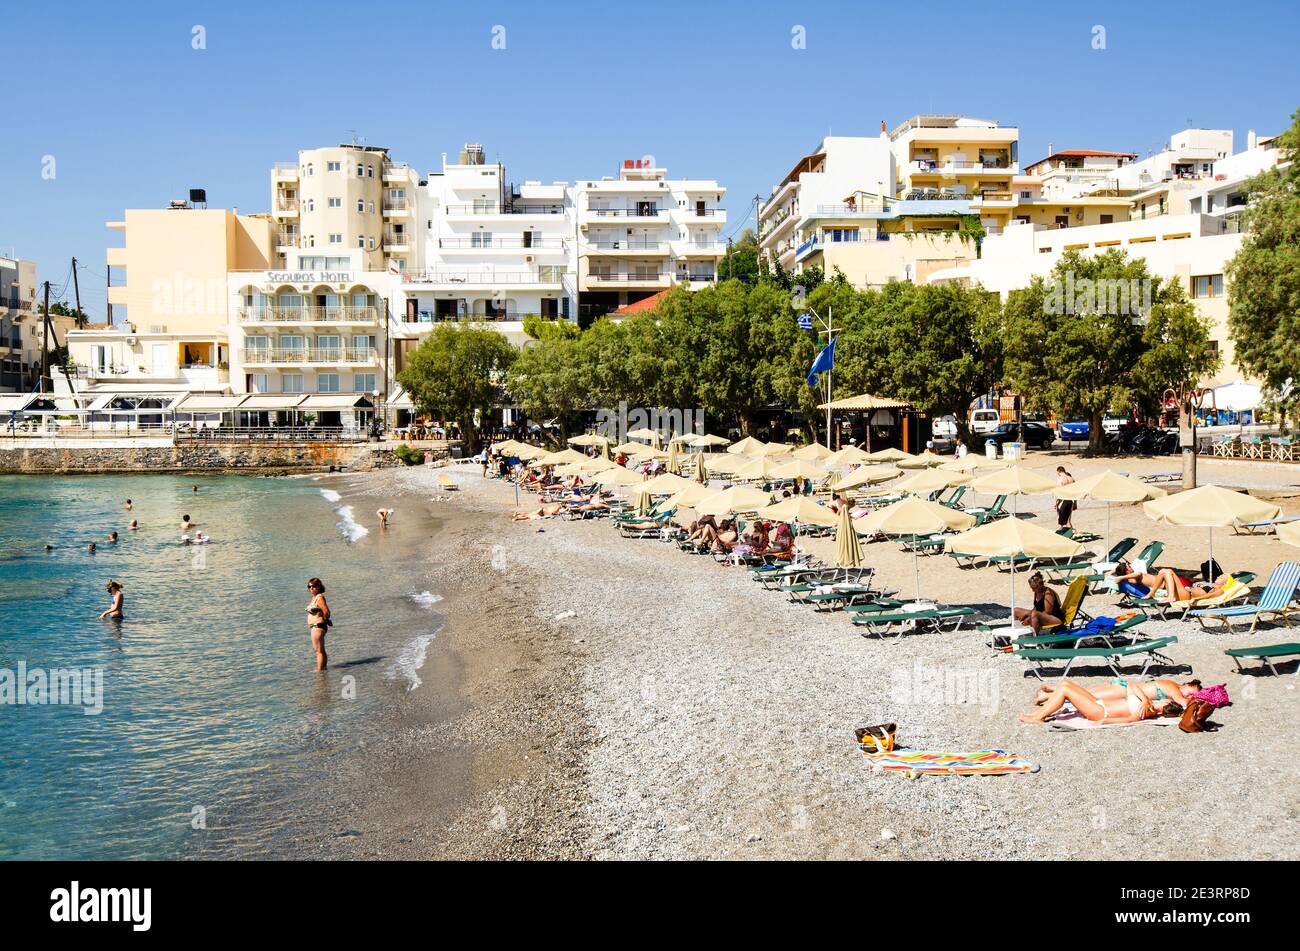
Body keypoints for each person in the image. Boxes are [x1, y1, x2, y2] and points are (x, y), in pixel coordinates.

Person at [1021, 677, 1200, 725]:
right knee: (1066, 684)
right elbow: (1133, 685)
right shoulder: (1148, 704)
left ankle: (1039, 716)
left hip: (1100, 711)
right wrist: (1145, 699)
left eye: (1164, 702)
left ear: (1166, 706)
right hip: (1100, 703)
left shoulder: (1145, 712)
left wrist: (1105, 721)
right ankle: (1039, 712)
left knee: (1067, 690)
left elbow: (1128, 720)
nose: (1163, 700)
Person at [1113, 561, 1234, 603]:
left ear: (1224, 583)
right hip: (1186, 592)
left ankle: (1169, 596)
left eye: (1221, 578)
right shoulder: (1132, 577)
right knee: (1166, 571)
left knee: (1166, 571)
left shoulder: (1220, 590)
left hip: (1187, 595)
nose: (1218, 577)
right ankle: (1169, 595)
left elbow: (1209, 595)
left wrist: (1195, 599)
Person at [306, 577, 331, 671]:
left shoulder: (320, 597)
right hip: (316, 626)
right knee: (319, 650)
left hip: (318, 626)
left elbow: (327, 612)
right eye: (309, 586)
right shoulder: (315, 597)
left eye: (313, 586)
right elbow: (321, 612)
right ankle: (323, 669)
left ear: (319, 586)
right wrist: (326, 620)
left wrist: (325, 619)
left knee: (319, 651)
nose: (311, 588)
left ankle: (320, 671)